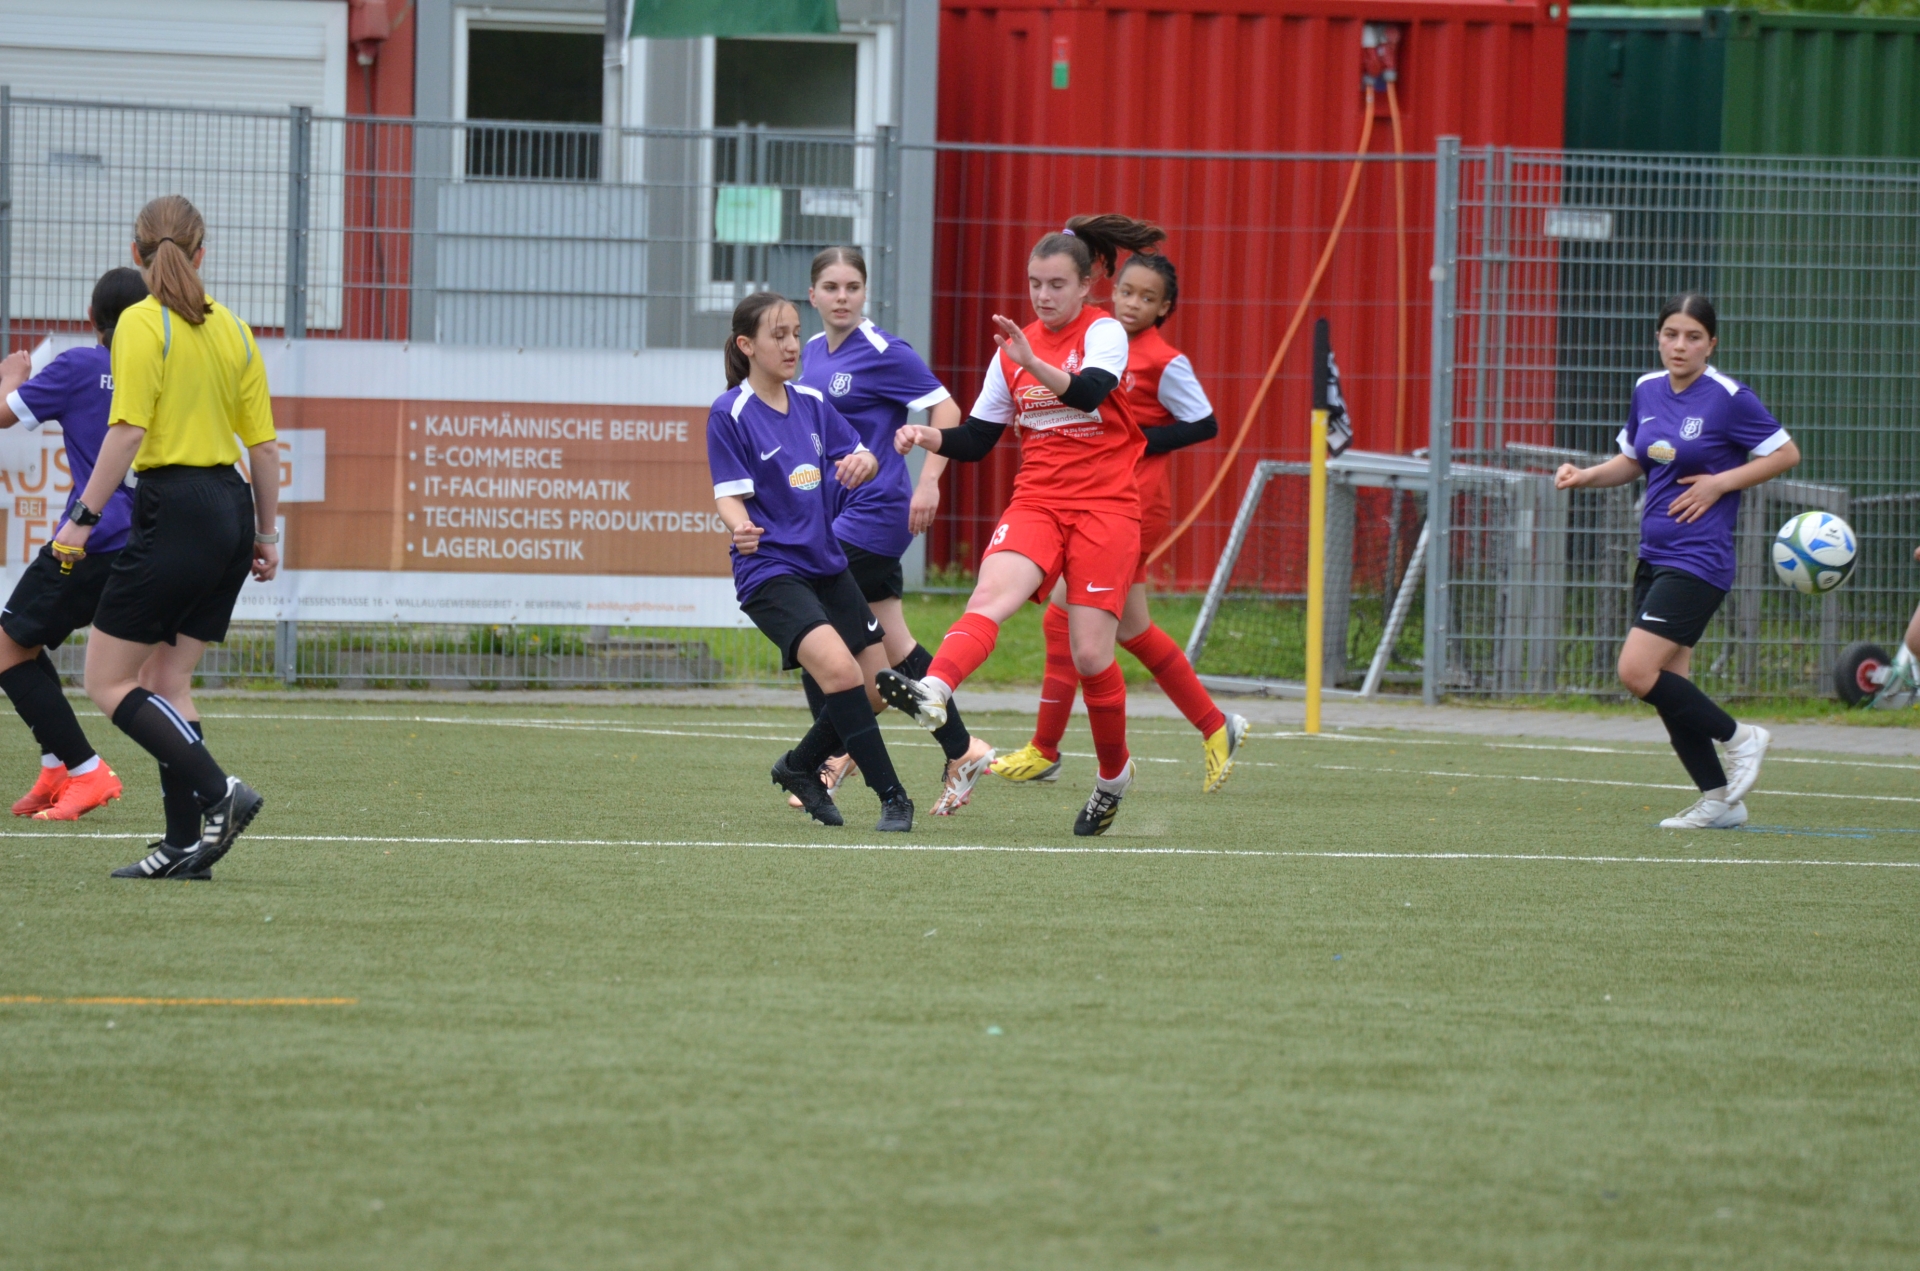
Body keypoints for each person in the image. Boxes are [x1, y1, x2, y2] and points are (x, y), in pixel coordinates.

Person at [880, 213, 1165, 837]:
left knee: (1092, 654)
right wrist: (930, 434)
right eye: (1035, 282)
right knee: (992, 594)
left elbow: (1089, 393)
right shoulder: (1014, 350)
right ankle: (933, 688)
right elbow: (980, 438)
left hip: (1106, 508)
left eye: (1057, 283)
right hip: (1037, 501)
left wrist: (1033, 362)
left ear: (1086, 285)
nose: (1043, 294)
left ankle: (1113, 776)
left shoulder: (1104, 332)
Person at [55, 195, 277, 880]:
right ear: (202, 252)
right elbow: (264, 448)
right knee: (166, 679)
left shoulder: (140, 324)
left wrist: (79, 522)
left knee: (106, 678)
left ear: (135, 254)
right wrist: (267, 535)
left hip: (175, 509)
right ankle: (187, 845)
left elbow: (126, 435)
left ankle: (219, 791)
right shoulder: (233, 329)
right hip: (229, 510)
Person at [989, 252, 1249, 792]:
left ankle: (1047, 748)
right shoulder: (1100, 340)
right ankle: (1213, 723)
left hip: (1129, 500)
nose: (1132, 303)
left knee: (1069, 619)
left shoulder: (1160, 358)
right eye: (1127, 291)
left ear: (1164, 309)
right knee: (1127, 628)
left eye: (1147, 298)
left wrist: (1131, 436)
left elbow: (1205, 423)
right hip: (1097, 497)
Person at [1554, 293, 1798, 829]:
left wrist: (1719, 483)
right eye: (1670, 334)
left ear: (1712, 343)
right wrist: (1585, 476)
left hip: (1699, 559)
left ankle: (1742, 738)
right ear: (1658, 337)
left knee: (1635, 670)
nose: (1679, 345)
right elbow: (1633, 459)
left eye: (1692, 336)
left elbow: (1785, 454)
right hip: (1655, 555)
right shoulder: (1646, 389)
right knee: (1673, 688)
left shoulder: (1729, 398)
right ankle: (1718, 801)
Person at [795, 246, 995, 816]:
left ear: (865, 294)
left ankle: (826, 760)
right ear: (813, 296)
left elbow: (948, 411)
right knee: (897, 651)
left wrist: (928, 482)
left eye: (852, 287)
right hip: (835, 517)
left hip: (878, 513)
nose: (841, 297)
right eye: (831, 287)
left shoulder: (882, 352)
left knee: (813, 622)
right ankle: (962, 749)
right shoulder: (809, 353)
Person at [707, 290, 913, 833]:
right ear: (747, 345)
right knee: (841, 671)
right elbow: (727, 494)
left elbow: (860, 453)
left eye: (796, 332)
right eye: (779, 335)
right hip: (771, 571)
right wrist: (739, 525)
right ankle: (893, 797)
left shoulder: (813, 404)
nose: (793, 344)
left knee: (877, 686)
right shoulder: (731, 412)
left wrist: (866, 461)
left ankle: (798, 766)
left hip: (827, 565)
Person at [0, 268, 148, 821]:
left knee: (6, 648)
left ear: (94, 320)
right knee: (22, 640)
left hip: (89, 538)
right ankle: (55, 766)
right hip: (139, 543)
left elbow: (2, 415)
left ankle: (86, 771)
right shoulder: (160, 373)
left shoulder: (82, 365)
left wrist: (11, 375)